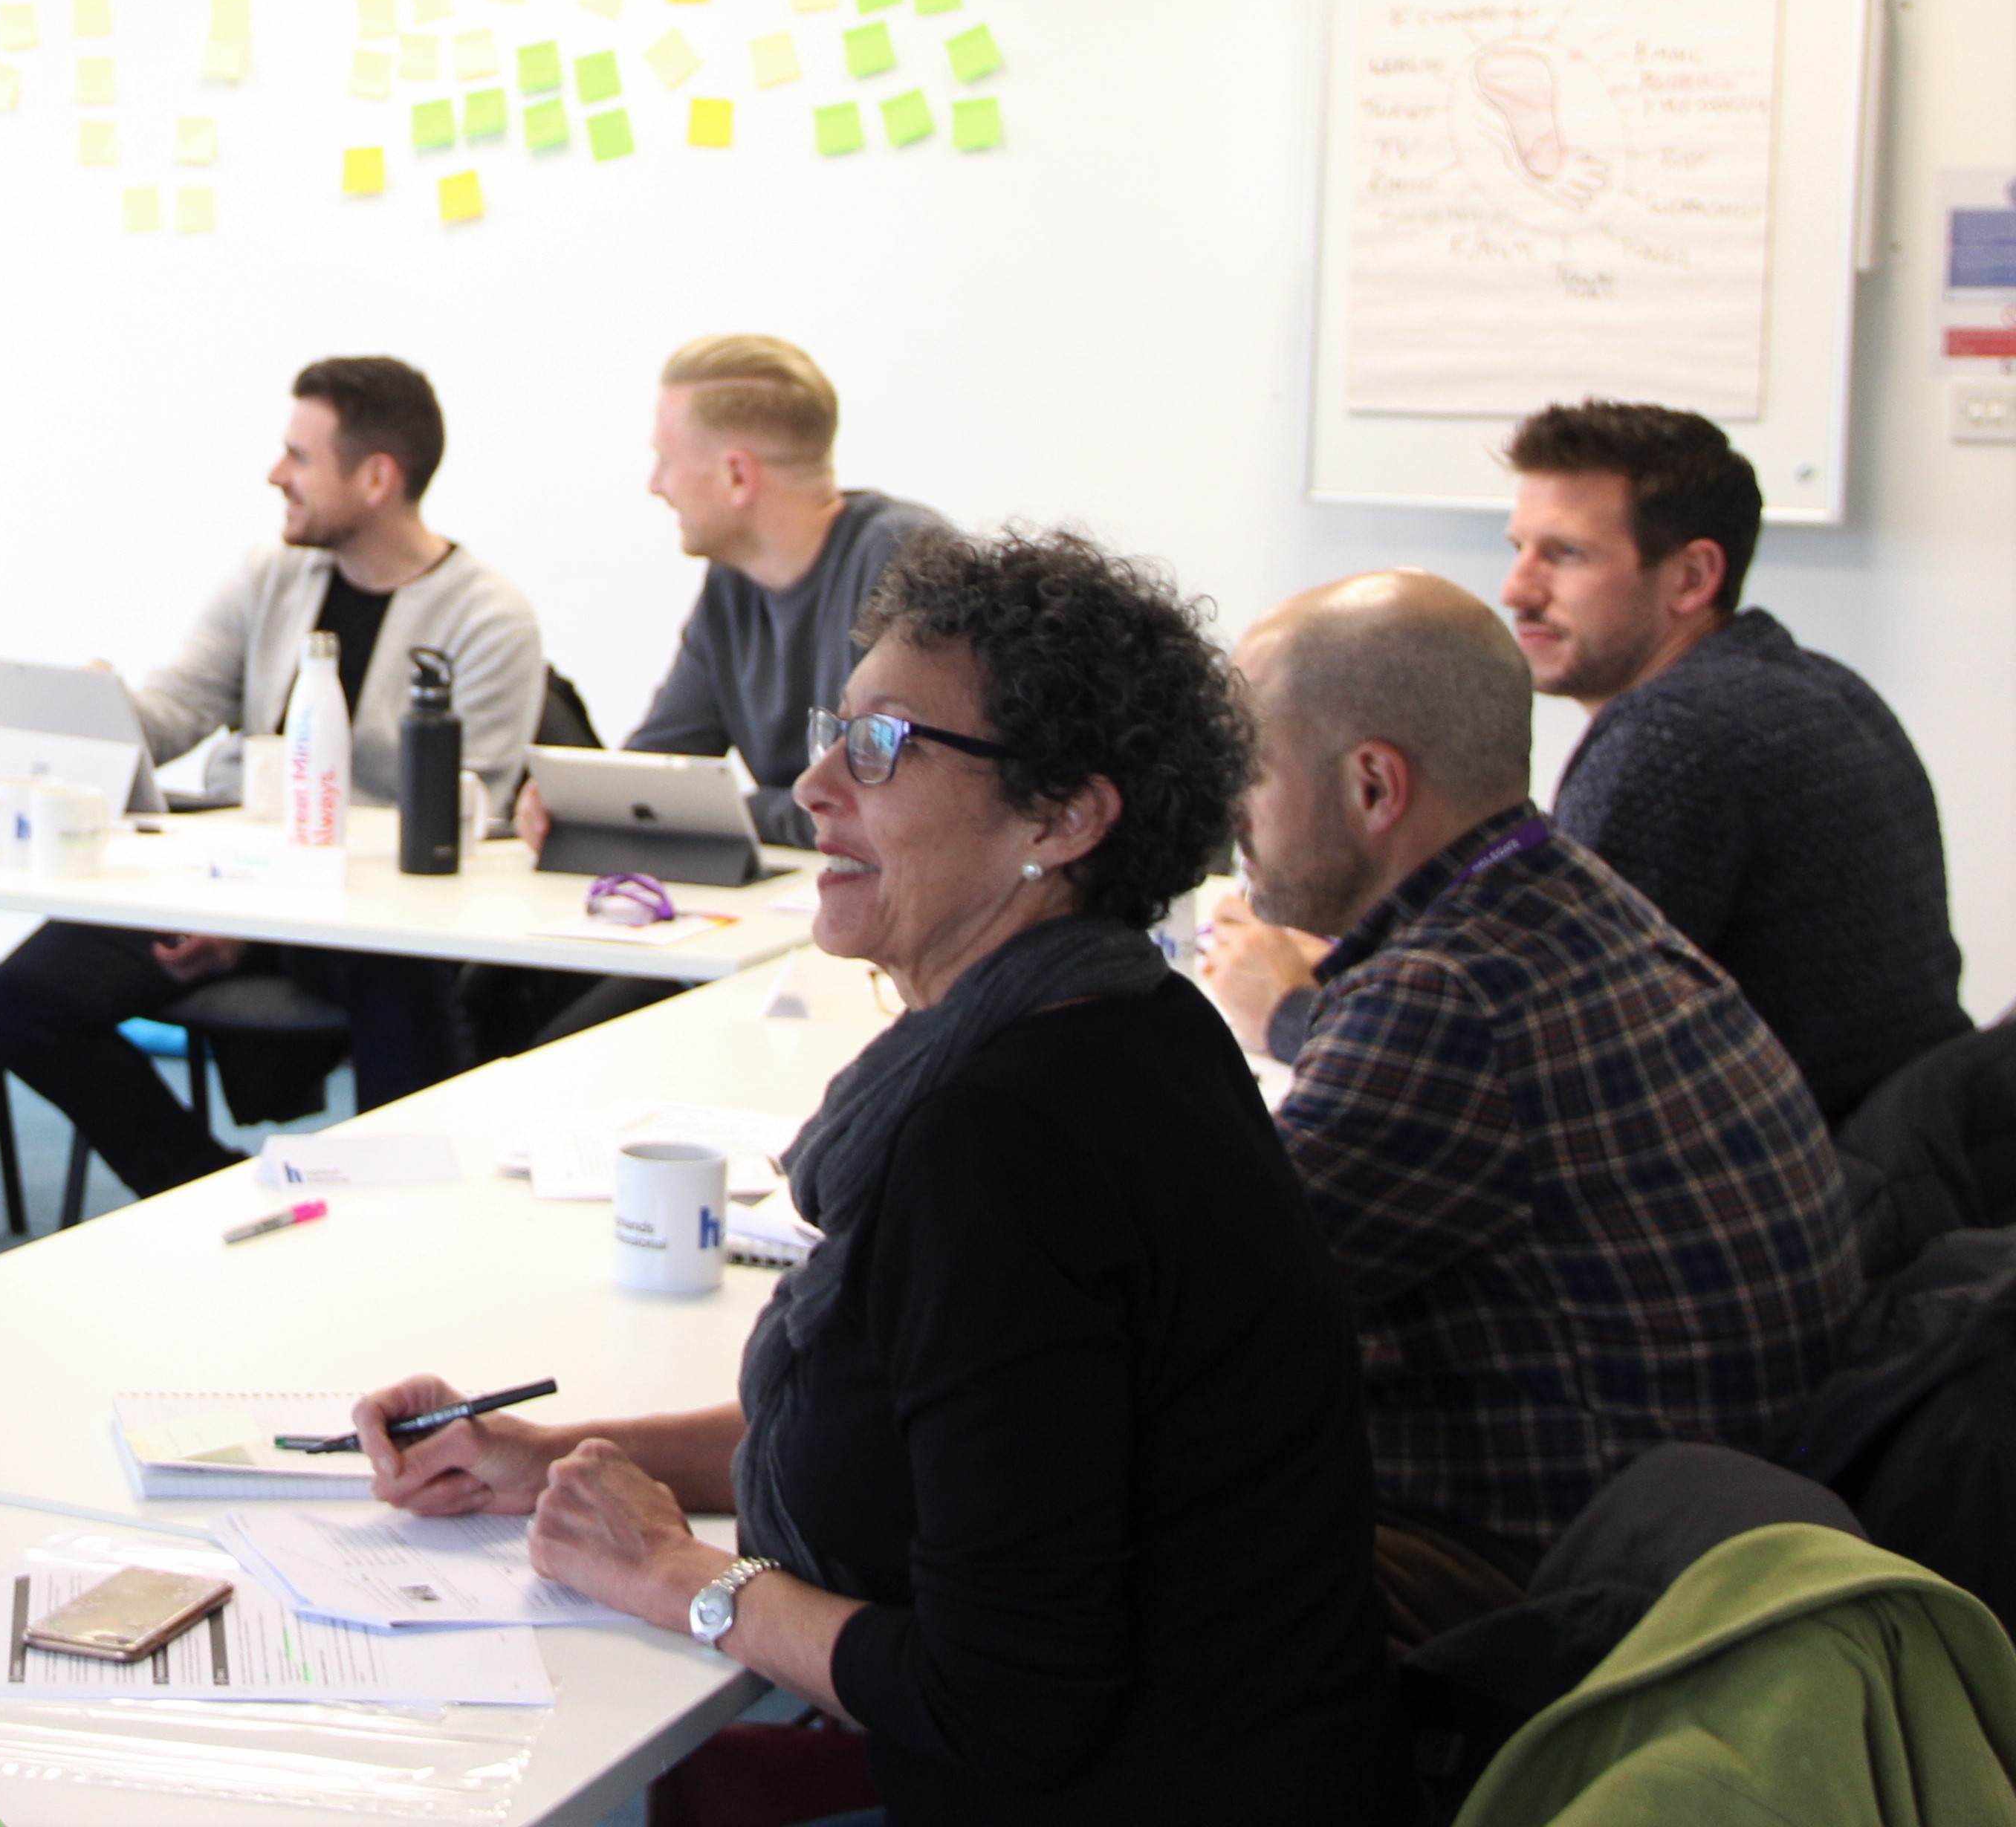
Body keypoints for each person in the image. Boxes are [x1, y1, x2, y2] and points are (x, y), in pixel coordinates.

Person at [364, 530, 1404, 1824]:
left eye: (883, 747)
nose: (811, 786)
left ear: (1064, 813)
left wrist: (672, 1574)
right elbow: (923, 1438)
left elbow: (1001, 1700)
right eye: (832, 731)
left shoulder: (1004, 1143)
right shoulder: (1120, 1018)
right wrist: (547, 1455)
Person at [1213, 569, 1860, 1645]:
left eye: (1249, 769)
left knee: (1095, 1528)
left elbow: (1205, 1304)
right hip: (1719, 1516)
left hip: (1572, 1577)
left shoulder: (1447, 995)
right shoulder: (1556, 891)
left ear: (1375, 786)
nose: (1225, 809)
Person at [1204, 400, 1966, 1125]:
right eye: (1519, 550)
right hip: (1899, 1168)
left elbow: (1533, 1060)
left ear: (1693, 578)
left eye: (1565, 555)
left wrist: (1289, 1013)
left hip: (1817, 1203)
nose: (1517, 590)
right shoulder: (1819, 685)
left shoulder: (1671, 735)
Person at [0, 359, 542, 1198]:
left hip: (367, 914)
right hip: (224, 879)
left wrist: (258, 923)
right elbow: (177, 709)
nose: (277, 475)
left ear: (377, 477)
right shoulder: (270, 575)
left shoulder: (489, 618)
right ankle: (209, 1193)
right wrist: (99, 708)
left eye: (299, 457)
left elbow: (464, 818)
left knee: (403, 978)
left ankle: (409, 1218)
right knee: (19, 1002)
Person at [508, 334, 943, 1044]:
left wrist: (736, 811)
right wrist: (576, 801)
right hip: (796, 925)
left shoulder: (903, 565)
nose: (656, 484)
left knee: (586, 1041)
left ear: (738, 476)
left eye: (666, 460)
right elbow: (655, 774)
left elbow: (893, 809)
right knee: (508, 1003)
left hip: (878, 950)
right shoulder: (733, 588)